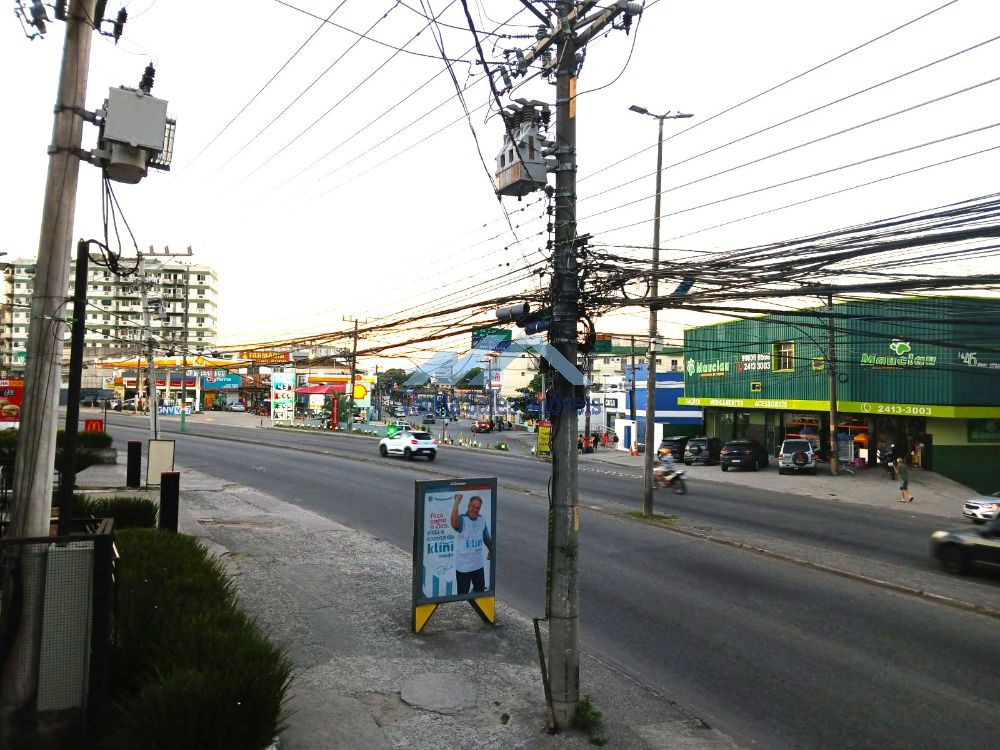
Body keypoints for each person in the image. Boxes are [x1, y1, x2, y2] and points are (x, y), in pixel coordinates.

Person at [450, 493, 492, 594]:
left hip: (478, 565)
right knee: (463, 594)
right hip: (464, 567)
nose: (475, 509)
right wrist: (457, 503)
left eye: (478, 508)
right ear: (468, 506)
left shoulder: (481, 520)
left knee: (480, 591)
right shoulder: (462, 519)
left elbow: (486, 537)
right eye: (473, 507)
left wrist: (491, 550)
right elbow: (454, 523)